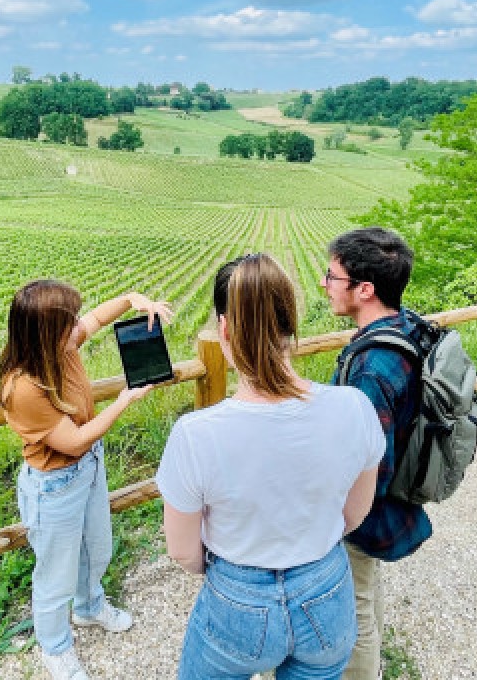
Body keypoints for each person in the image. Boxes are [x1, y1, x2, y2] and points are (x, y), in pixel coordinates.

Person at [157, 254, 386, 679]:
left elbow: (183, 551)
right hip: (327, 589)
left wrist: (232, 574)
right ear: (291, 322)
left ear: (225, 329)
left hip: (237, 598)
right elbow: (354, 514)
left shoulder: (195, 434)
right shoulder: (354, 407)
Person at [0, 280, 172, 680]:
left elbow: (95, 319)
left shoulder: (60, 347)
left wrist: (131, 299)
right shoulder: (24, 387)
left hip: (89, 467)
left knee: (96, 548)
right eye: (69, 322)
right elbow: (74, 441)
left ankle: (90, 608)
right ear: (46, 332)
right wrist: (124, 399)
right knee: (55, 575)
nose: (79, 325)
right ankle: (55, 648)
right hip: (55, 485)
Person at [320, 227, 434, 680]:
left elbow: (371, 466)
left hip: (368, 511)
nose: (325, 284)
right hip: (393, 501)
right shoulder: (405, 326)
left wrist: (338, 517)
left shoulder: (372, 368)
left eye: (333, 276)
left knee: (355, 613)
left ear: (364, 289)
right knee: (366, 594)